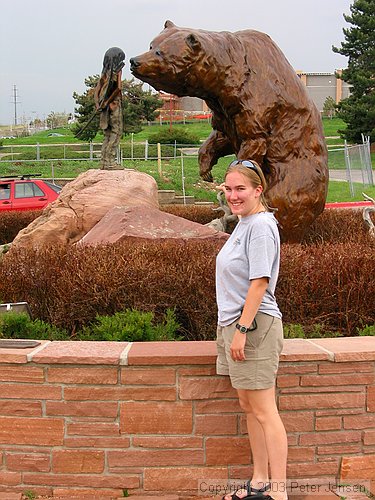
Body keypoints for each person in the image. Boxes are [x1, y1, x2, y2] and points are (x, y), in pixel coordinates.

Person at [215, 159, 288, 500]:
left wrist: (242, 329)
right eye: (228, 189)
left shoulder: (260, 225)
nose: (233, 195)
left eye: (240, 189)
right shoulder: (244, 223)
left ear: (258, 190)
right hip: (235, 325)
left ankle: (279, 492)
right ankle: (259, 481)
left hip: (254, 327)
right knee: (249, 406)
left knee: (264, 411)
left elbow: (259, 281)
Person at [94, 47, 125, 169]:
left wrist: (98, 104)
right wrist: (107, 102)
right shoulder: (117, 70)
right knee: (116, 132)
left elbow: (97, 90)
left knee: (107, 133)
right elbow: (119, 88)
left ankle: (103, 161)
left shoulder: (104, 73)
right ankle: (110, 161)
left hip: (104, 105)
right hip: (114, 105)